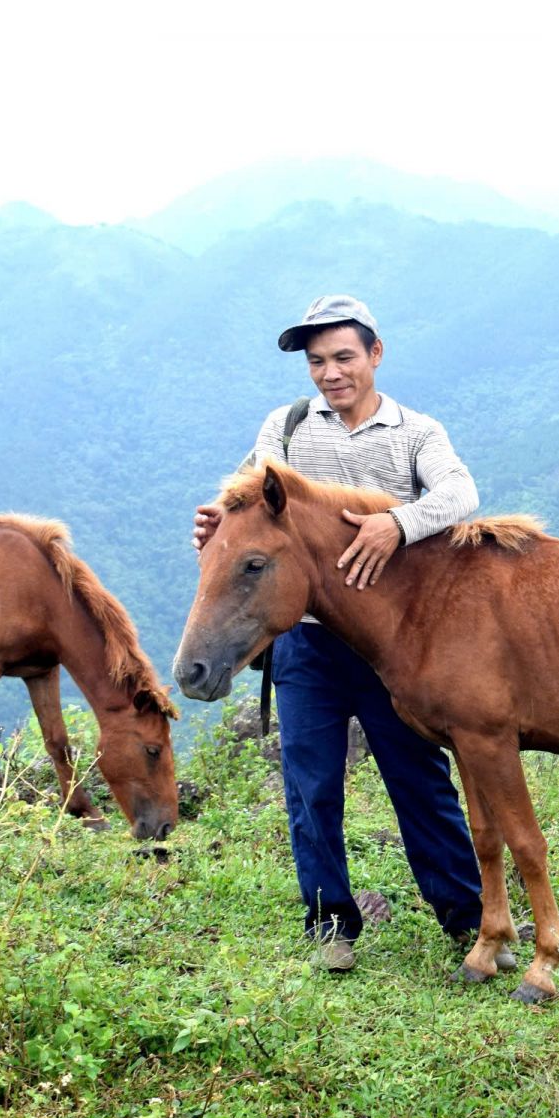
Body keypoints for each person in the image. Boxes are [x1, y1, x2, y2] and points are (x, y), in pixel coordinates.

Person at [192, 294, 484, 972]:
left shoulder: (415, 432)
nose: (330, 373)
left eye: (344, 357)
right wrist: (212, 526)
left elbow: (461, 493)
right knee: (310, 782)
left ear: (375, 354)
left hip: (392, 646)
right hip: (309, 641)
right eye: (318, 361)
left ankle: (466, 913)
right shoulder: (287, 428)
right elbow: (242, 502)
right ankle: (330, 923)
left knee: (419, 776)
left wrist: (399, 524)